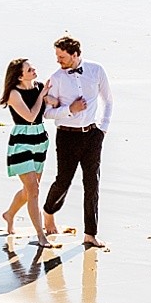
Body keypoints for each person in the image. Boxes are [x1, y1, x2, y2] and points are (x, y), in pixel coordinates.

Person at [42, 36, 113, 248]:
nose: (58, 61)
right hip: (66, 136)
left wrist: (103, 128)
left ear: (75, 54)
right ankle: (48, 211)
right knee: (63, 181)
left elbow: (108, 100)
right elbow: (47, 113)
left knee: (92, 184)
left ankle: (90, 234)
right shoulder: (56, 78)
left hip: (92, 135)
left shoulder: (96, 70)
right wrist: (70, 110)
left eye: (62, 57)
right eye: (57, 56)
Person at [0, 58, 59, 248]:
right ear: (19, 75)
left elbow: (53, 103)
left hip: (40, 140)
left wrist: (52, 98)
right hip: (22, 142)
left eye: (33, 67)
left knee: (29, 190)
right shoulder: (13, 94)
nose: (34, 70)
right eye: (29, 69)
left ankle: (9, 214)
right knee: (34, 190)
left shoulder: (39, 86)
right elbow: (31, 117)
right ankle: (40, 235)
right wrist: (42, 96)